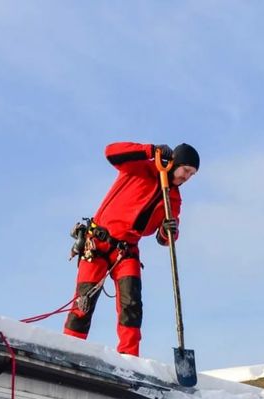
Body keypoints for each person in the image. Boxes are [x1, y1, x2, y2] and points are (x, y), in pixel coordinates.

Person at [63, 141, 199, 356]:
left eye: (192, 174)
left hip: (127, 251)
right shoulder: (140, 168)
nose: (187, 177)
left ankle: (129, 357)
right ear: (174, 162)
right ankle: (70, 348)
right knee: (84, 301)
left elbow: (165, 239)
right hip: (98, 242)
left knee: (132, 305)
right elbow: (111, 152)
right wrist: (149, 150)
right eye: (186, 170)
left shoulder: (173, 198)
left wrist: (168, 230)